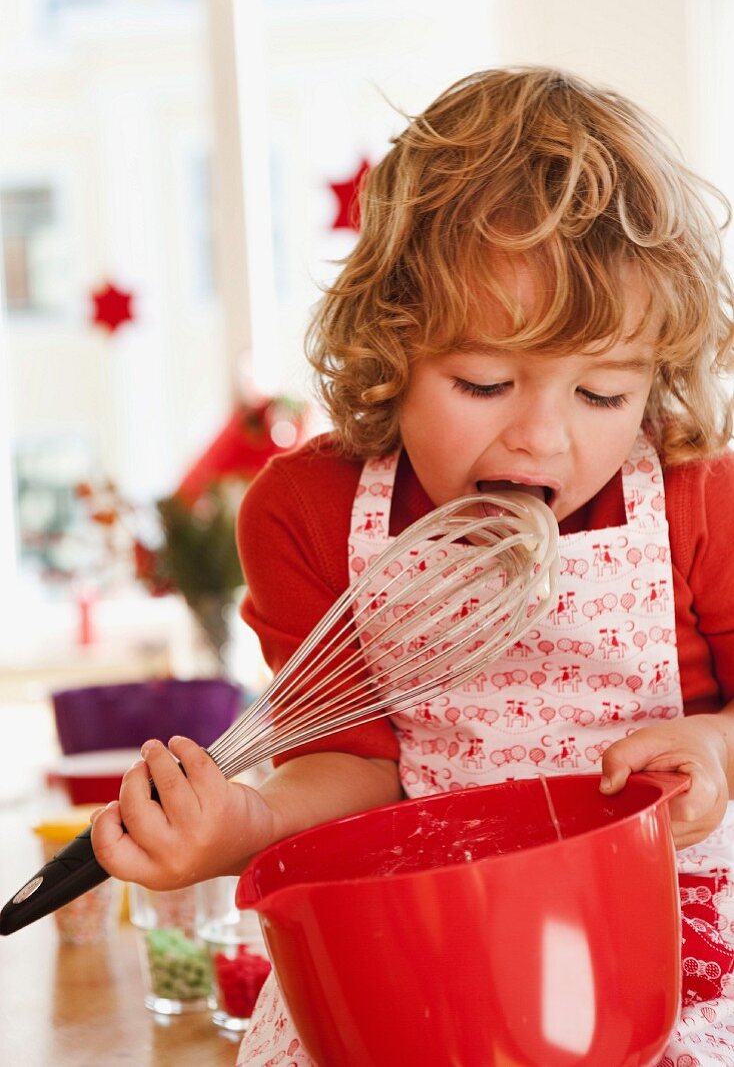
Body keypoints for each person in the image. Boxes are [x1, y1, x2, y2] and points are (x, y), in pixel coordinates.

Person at [92, 67, 734, 1065]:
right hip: (415, 954)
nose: (544, 439)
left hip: (663, 947)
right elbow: (354, 766)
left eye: (603, 393)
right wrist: (238, 825)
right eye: (481, 380)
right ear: (390, 344)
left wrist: (716, 749)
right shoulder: (306, 514)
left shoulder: (700, 500)